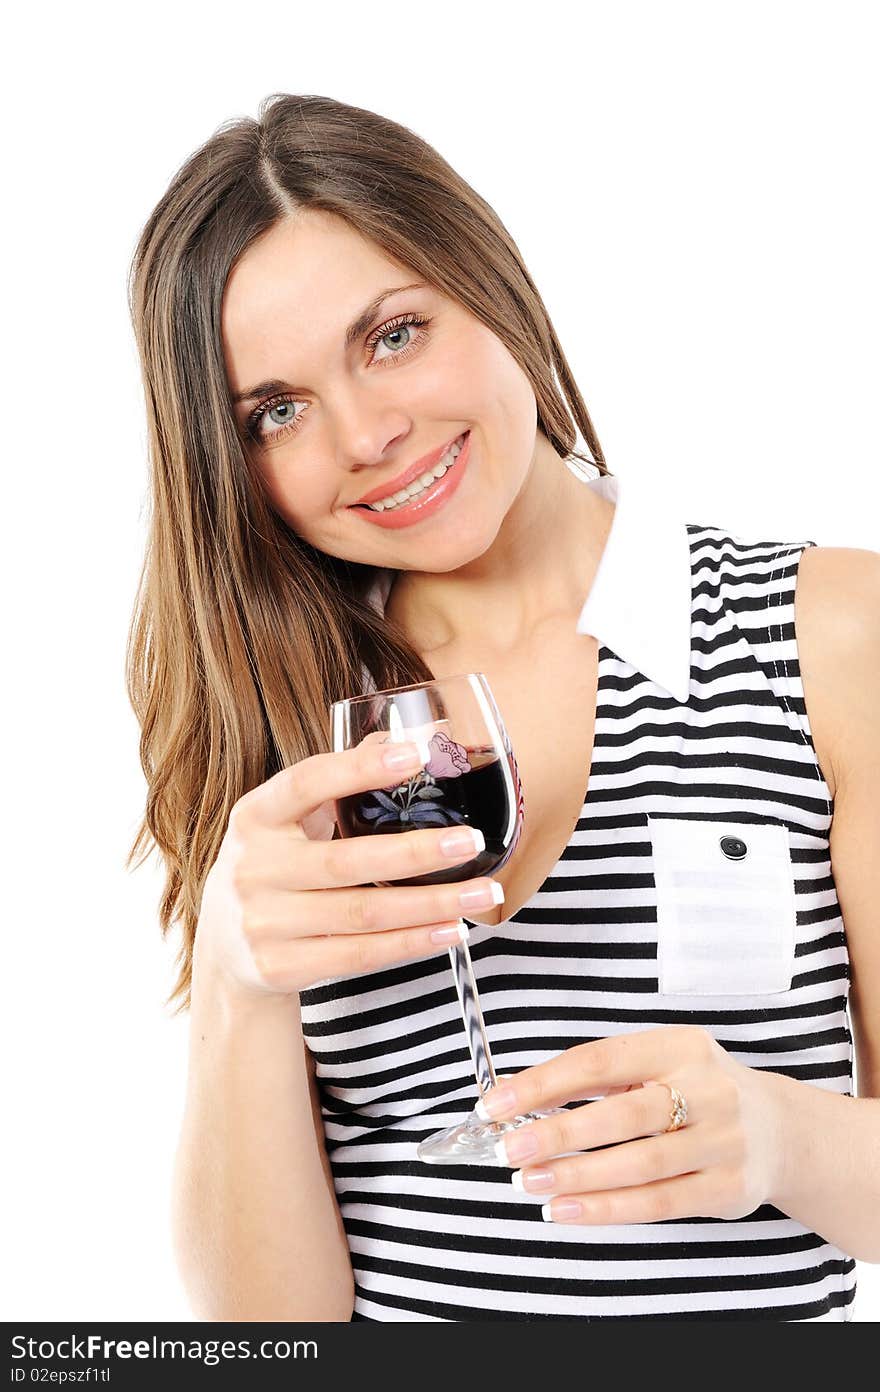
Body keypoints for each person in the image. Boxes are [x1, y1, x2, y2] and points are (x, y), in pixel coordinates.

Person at [125, 92, 879, 1323]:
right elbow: (266, 1336)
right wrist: (232, 971)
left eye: (393, 335)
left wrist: (781, 1138)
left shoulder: (830, 633)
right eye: (277, 410)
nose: (369, 434)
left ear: (493, 288)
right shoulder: (287, 715)